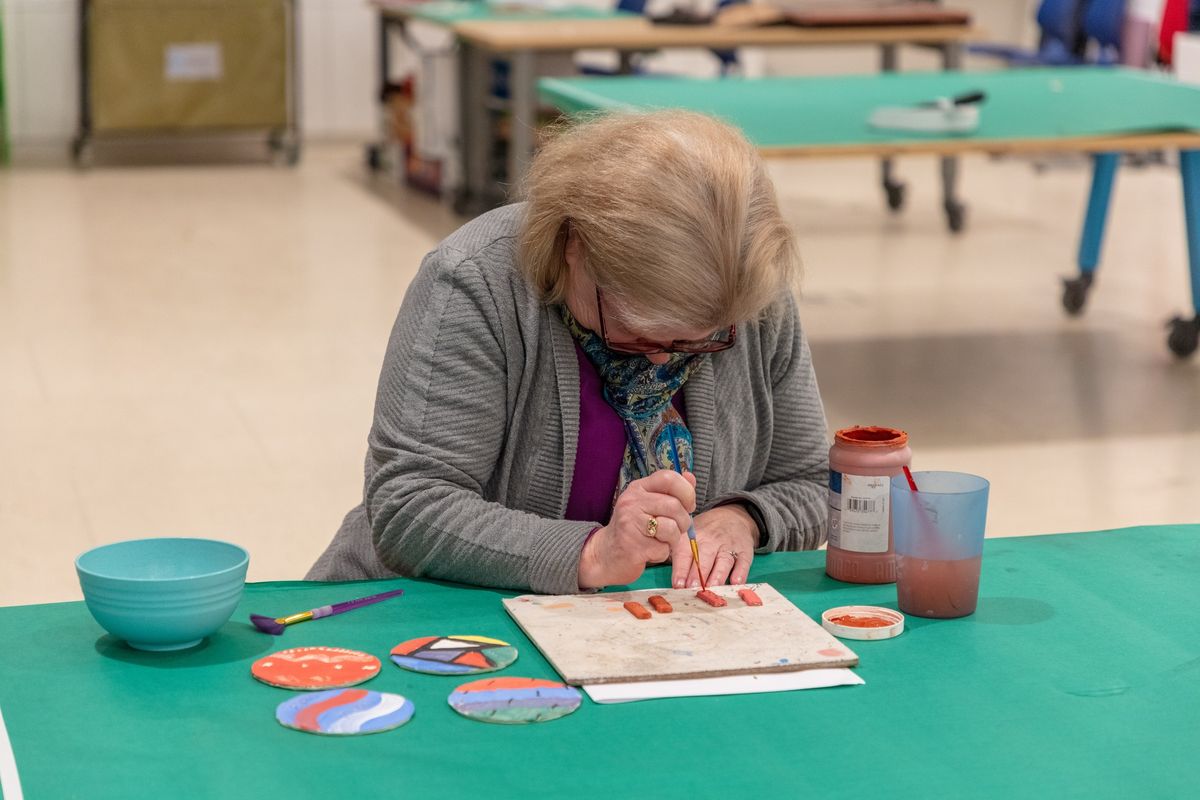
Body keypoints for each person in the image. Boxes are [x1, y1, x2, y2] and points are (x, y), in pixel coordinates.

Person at [308, 111, 829, 594]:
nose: (662, 362)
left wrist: (745, 517)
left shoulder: (745, 291)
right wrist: (592, 552)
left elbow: (814, 483)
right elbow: (410, 507)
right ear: (574, 246)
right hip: (425, 614)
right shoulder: (474, 282)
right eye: (637, 331)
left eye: (700, 340)